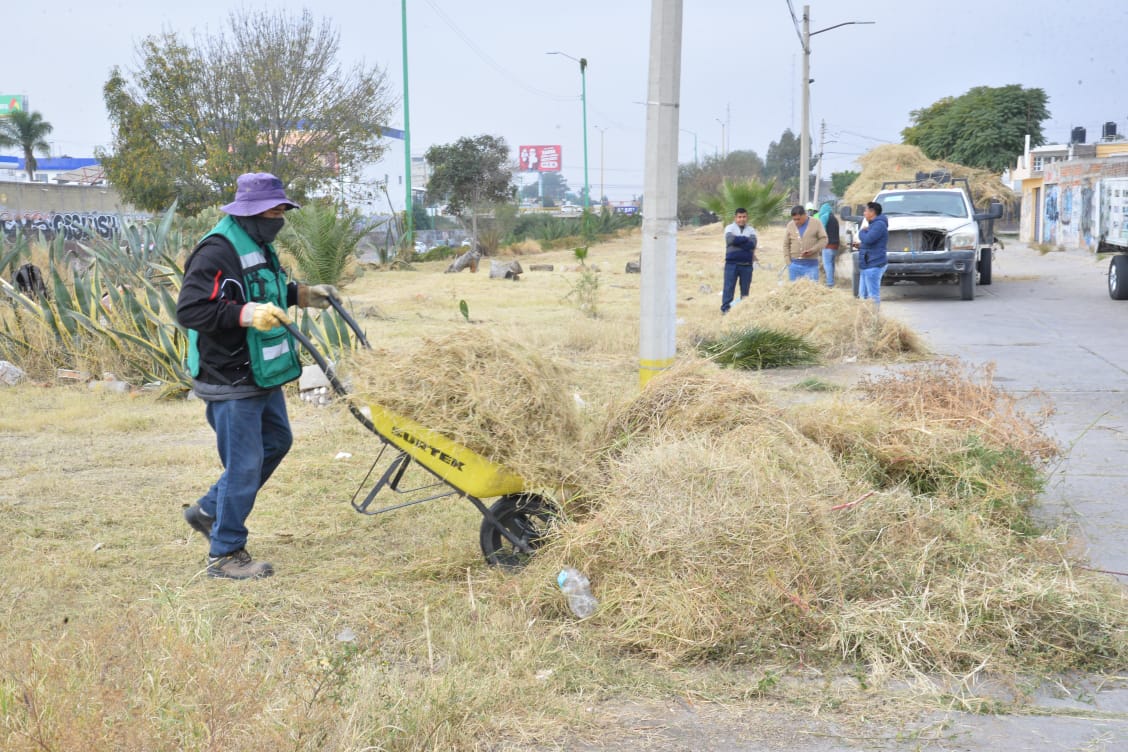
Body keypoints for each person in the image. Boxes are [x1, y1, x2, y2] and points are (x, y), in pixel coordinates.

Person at [176, 172, 339, 580]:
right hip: (229, 377)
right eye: (272, 210)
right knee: (245, 464)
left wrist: (300, 294)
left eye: (283, 210)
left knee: (277, 442)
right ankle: (225, 553)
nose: (279, 217)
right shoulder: (216, 251)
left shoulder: (259, 244)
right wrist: (245, 315)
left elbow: (260, 289)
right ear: (248, 212)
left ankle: (209, 510)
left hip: (260, 372)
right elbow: (191, 310)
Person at [721, 207, 757, 314]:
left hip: (746, 265)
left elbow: (752, 244)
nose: (742, 219)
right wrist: (745, 240)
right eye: (739, 217)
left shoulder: (751, 230)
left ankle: (743, 312)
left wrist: (737, 241)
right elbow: (729, 240)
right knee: (728, 288)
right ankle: (725, 311)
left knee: (745, 291)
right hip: (732, 264)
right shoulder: (729, 228)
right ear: (735, 218)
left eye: (744, 217)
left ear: (747, 217)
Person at [783, 204, 827, 282]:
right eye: (794, 219)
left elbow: (824, 239)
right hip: (794, 266)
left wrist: (813, 250)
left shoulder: (816, 223)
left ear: (804, 215)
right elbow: (786, 244)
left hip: (811, 266)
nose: (796, 222)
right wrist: (788, 262)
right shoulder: (790, 225)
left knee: (811, 292)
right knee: (794, 292)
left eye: (798, 219)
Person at [856, 201, 889, 305]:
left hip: (874, 264)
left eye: (865, 211)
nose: (864, 213)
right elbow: (870, 243)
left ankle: (873, 319)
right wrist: (861, 246)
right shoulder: (873, 225)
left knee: (872, 296)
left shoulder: (879, 225)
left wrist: (862, 232)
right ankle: (865, 318)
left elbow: (868, 240)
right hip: (867, 264)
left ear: (872, 212)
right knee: (863, 296)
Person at [818, 201, 840, 288]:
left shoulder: (824, 217)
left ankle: (830, 283)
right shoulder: (834, 218)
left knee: (827, 264)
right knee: (831, 264)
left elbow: (821, 231)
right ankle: (831, 281)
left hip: (828, 245)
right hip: (835, 246)